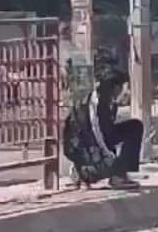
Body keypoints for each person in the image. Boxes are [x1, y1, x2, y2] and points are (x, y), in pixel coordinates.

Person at [62, 48, 144, 190]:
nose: (122, 91)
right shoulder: (100, 100)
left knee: (132, 126)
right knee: (134, 128)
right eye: (121, 87)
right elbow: (97, 131)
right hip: (89, 150)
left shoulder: (97, 96)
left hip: (82, 148)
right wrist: (111, 161)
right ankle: (117, 176)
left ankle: (83, 172)